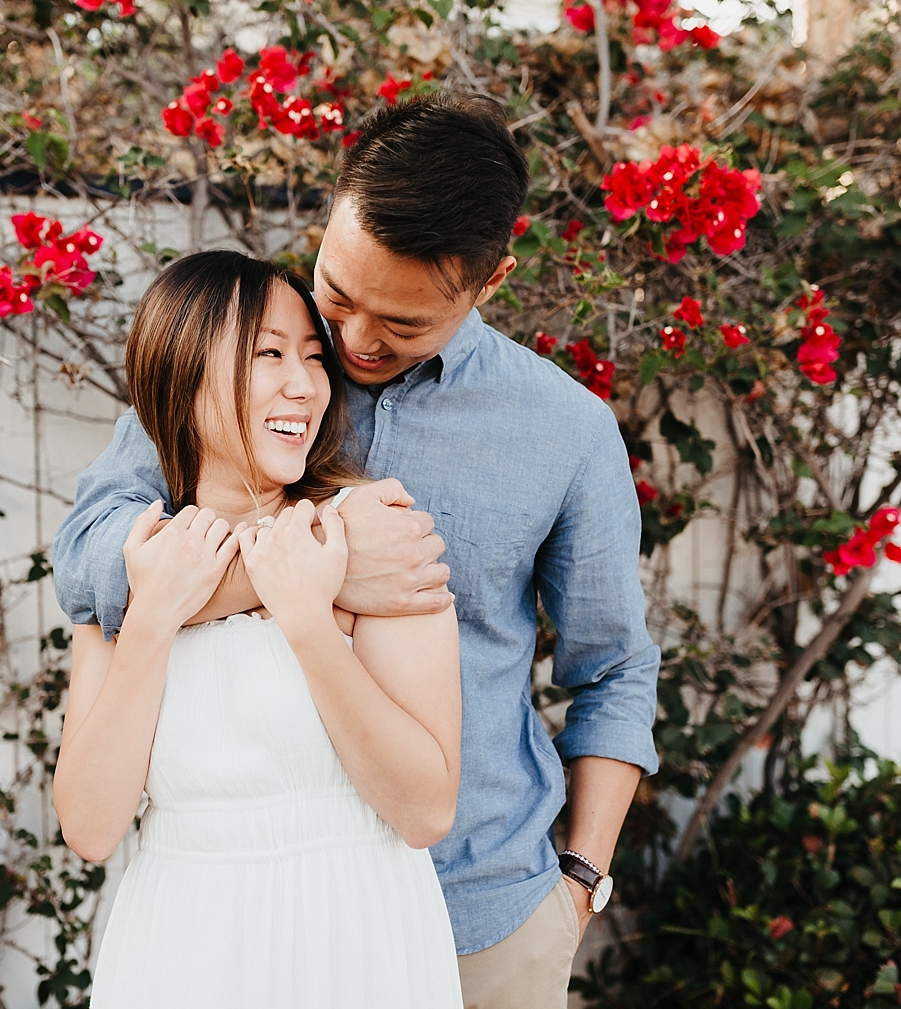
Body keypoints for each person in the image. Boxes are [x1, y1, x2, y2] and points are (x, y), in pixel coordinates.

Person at [52, 92, 660, 1008]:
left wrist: (577, 882)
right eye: (337, 295)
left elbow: (612, 668)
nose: (348, 345)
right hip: (222, 934)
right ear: (329, 215)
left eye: (403, 323)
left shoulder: (565, 430)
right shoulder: (236, 364)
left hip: (485, 907)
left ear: (486, 284)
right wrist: (296, 567)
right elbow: (94, 567)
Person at [51, 250, 465, 1007]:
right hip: (183, 945)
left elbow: (425, 809)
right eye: (268, 354)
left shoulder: (369, 536)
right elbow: (90, 826)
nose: (304, 384)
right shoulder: (131, 567)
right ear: (182, 372)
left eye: (312, 358)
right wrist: (151, 619)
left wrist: (307, 618)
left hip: (352, 938)